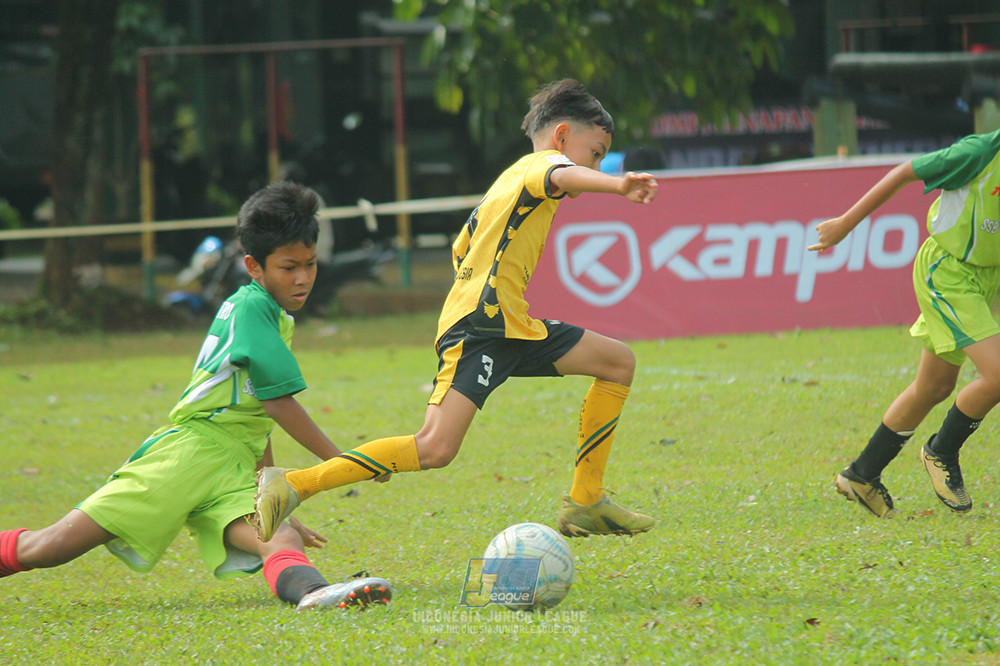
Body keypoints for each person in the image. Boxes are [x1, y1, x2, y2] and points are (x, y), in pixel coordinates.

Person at [254, 79, 658, 543]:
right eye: (596, 152)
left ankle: (587, 500)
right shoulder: (544, 165)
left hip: (509, 324)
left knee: (616, 361)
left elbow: (460, 248)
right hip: (483, 327)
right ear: (563, 137)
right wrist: (618, 184)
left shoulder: (505, 183)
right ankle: (295, 484)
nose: (597, 163)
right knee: (435, 447)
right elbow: (561, 174)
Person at [0, 182, 392, 611]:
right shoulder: (251, 309)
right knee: (50, 547)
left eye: (311, 264)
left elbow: (257, 416)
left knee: (280, 534)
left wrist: (269, 490)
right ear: (254, 266)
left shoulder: (273, 313)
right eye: (289, 266)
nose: (303, 277)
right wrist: (345, 463)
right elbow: (279, 404)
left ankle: (315, 594)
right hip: (187, 456)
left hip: (231, 465)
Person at [810, 129, 1000, 518]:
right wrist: (845, 224)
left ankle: (861, 474)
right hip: (948, 273)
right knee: (998, 375)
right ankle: (941, 451)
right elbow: (902, 173)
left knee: (933, 387)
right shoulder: (978, 153)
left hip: (986, 278)